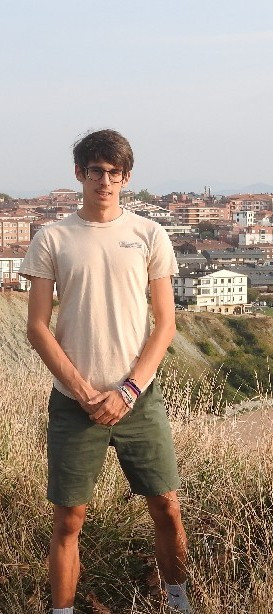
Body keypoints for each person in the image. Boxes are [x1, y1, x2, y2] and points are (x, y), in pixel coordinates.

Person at [19, 129, 191, 613]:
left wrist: (129, 391)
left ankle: (178, 601)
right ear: (80, 173)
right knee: (68, 519)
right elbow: (36, 326)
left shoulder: (149, 235)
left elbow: (165, 324)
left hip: (139, 400)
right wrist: (82, 390)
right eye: (96, 171)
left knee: (167, 507)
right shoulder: (52, 237)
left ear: (126, 178)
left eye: (115, 173)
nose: (105, 181)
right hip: (75, 403)